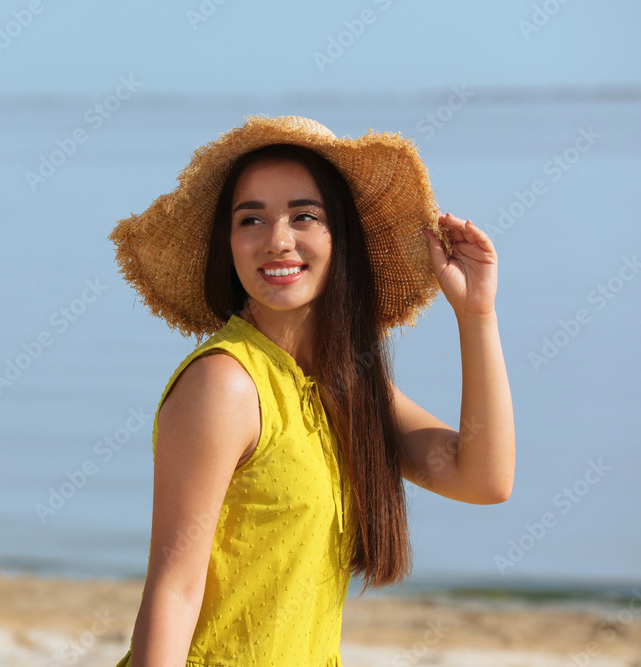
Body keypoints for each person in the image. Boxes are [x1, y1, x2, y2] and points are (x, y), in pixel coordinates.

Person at [107, 115, 515, 666]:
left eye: (304, 216)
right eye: (251, 219)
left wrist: (477, 316)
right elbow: (173, 591)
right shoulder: (226, 384)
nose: (278, 241)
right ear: (227, 243)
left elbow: (484, 478)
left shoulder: (347, 384)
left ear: (338, 236)